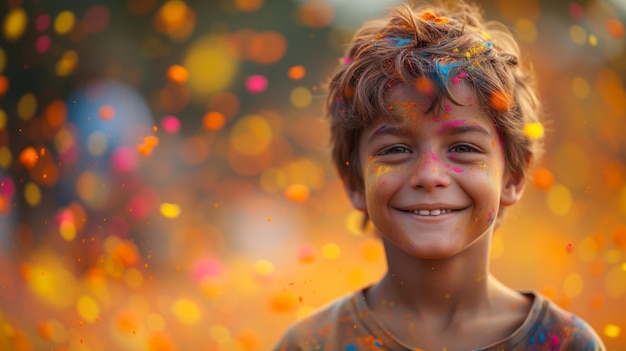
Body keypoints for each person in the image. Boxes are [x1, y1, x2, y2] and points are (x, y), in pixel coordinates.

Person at [273, 1, 606, 350]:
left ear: (513, 178)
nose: (430, 176)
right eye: (396, 150)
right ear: (355, 183)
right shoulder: (312, 344)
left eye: (463, 148)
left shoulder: (567, 343)